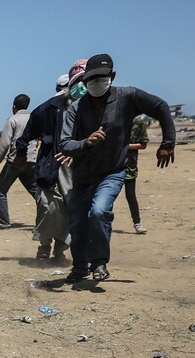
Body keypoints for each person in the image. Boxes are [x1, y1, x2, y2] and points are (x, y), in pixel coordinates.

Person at [58, 53, 175, 282]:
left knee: (99, 212)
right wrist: (85, 142)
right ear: (84, 81)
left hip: (113, 171)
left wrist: (168, 143)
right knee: (78, 222)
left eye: (101, 77)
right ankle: (80, 267)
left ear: (112, 75)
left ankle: (99, 263)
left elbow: (160, 106)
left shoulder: (127, 97)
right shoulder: (76, 109)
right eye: (91, 79)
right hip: (83, 175)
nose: (96, 83)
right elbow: (65, 144)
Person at [16, 60, 86, 261]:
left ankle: (61, 247)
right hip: (52, 164)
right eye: (79, 81)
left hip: (82, 167)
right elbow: (27, 134)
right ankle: (44, 244)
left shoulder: (96, 107)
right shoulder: (50, 108)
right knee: (48, 206)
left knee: (72, 207)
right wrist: (21, 154)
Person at [0, 94, 38, 230]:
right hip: (31, 160)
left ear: (14, 106)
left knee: (1, 192)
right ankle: (44, 219)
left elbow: (4, 144)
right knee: (36, 193)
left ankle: (4, 221)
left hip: (15, 161)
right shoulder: (34, 118)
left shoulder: (12, 120)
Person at [123, 115, 149, 234]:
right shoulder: (112, 116)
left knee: (130, 195)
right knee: (108, 196)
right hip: (110, 165)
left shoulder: (138, 121)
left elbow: (143, 145)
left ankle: (137, 223)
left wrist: (124, 147)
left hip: (129, 166)